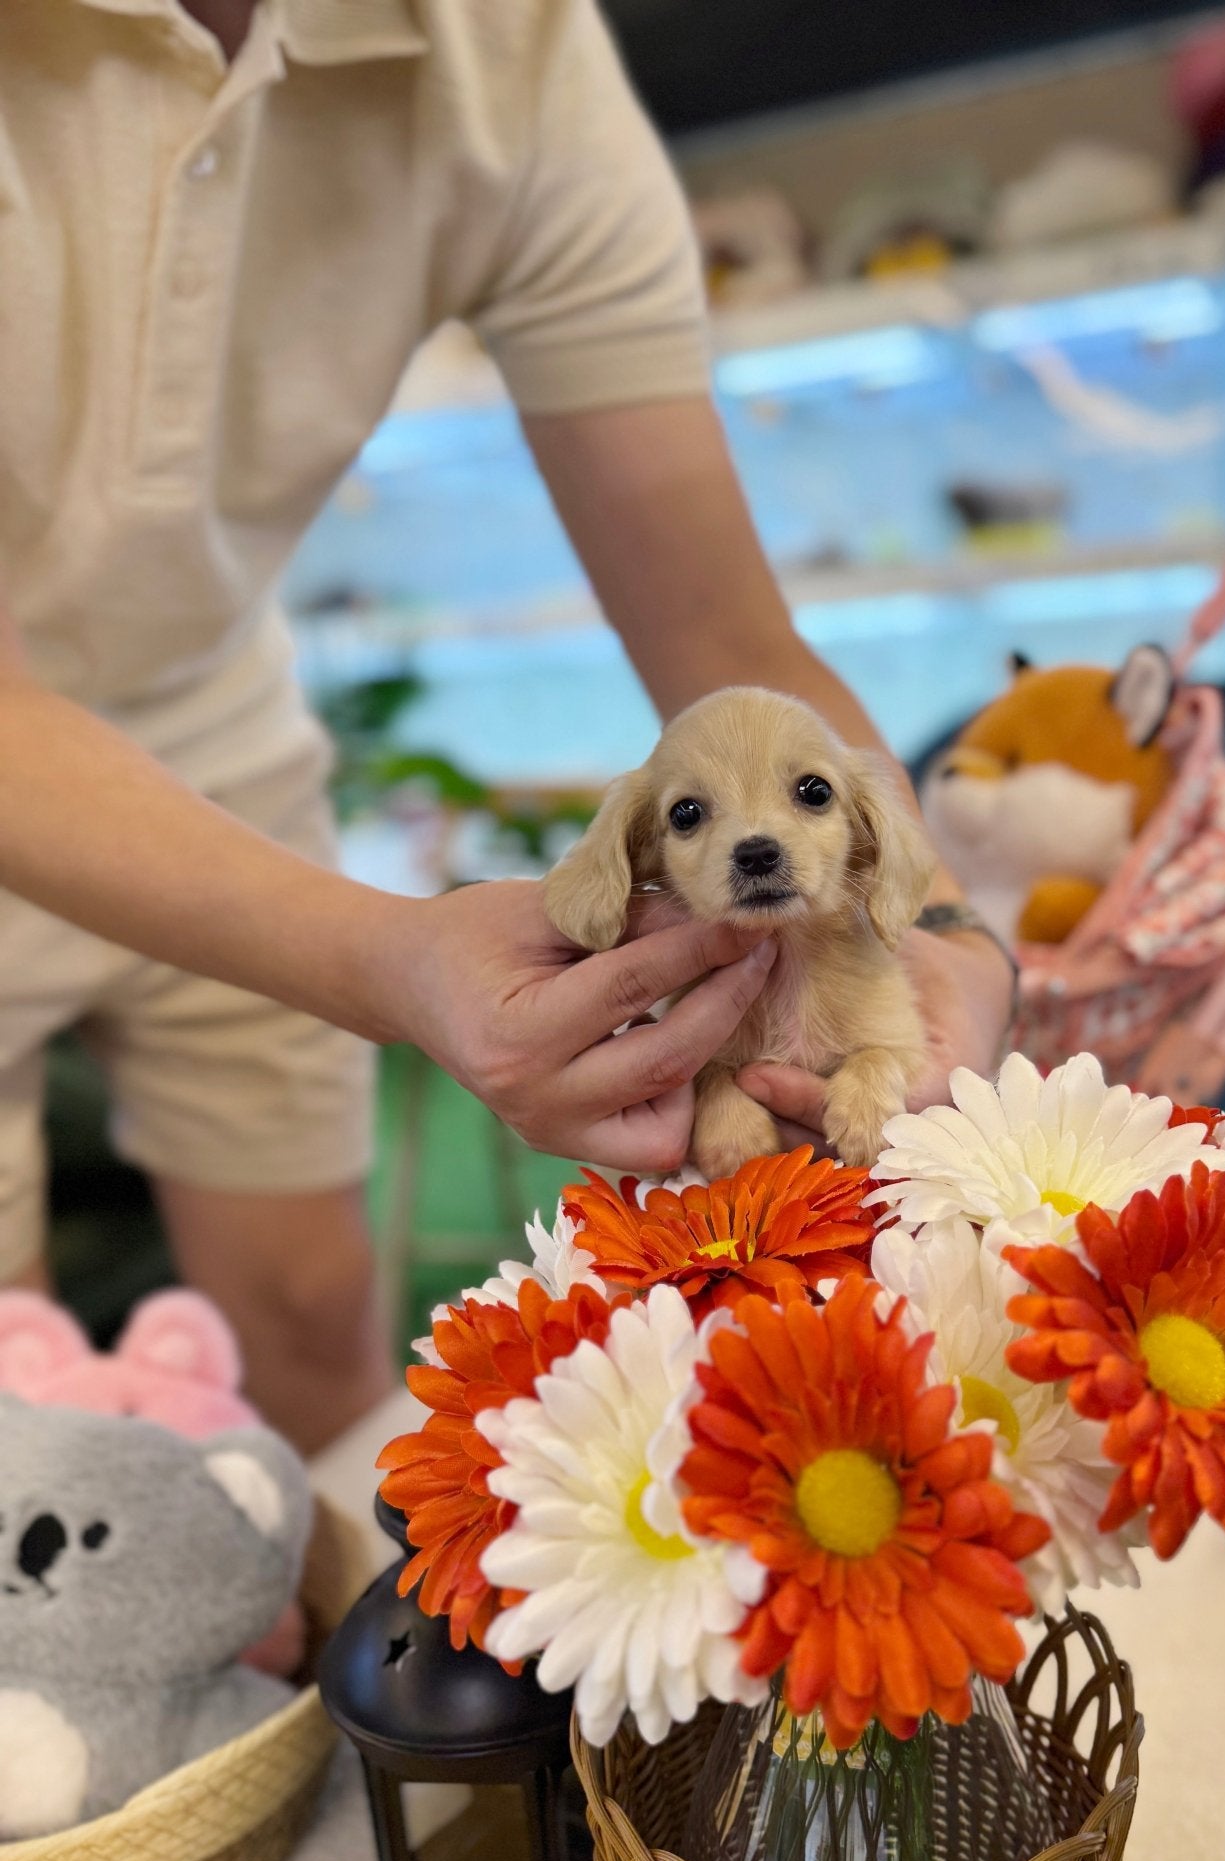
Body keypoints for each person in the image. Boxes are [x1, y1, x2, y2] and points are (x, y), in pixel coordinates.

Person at [0, 0, 1015, 1452]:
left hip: (209, 712)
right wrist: (392, 962)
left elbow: (722, 636)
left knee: (310, 1313)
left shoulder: (507, 45)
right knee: (18, 1424)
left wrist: (952, 947)